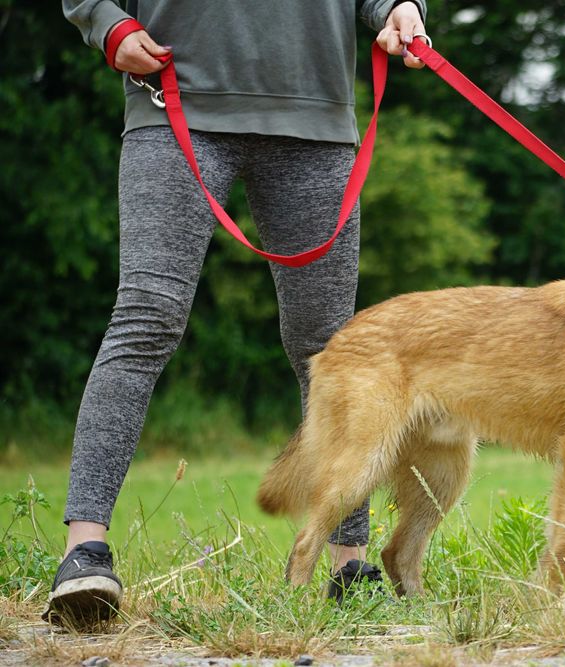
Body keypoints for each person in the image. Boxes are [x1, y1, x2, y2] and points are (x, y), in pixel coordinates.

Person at [48, 0, 428, 626]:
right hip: (175, 99)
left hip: (316, 118)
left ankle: (348, 565)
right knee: (146, 318)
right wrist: (106, 22)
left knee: (332, 347)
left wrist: (399, 8)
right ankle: (83, 553)